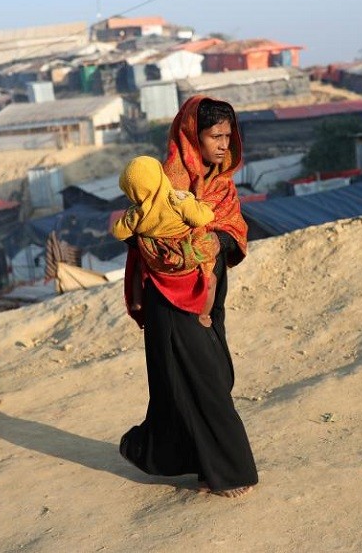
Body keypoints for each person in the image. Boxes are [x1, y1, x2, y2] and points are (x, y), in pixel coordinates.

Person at [118, 96, 258, 498]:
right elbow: (139, 232)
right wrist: (173, 252)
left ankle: (172, 456)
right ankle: (230, 472)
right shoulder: (164, 182)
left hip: (209, 293)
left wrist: (216, 239)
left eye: (228, 137)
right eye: (215, 136)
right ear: (192, 135)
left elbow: (235, 231)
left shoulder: (222, 185)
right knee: (202, 380)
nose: (223, 145)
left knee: (209, 375)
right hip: (170, 295)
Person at [110, 155, 219, 326]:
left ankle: (137, 300)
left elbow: (118, 232)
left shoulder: (137, 214)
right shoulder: (176, 201)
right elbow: (201, 218)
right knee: (210, 280)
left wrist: (131, 215)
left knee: (138, 266)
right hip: (185, 254)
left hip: (158, 262)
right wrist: (197, 204)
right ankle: (204, 315)